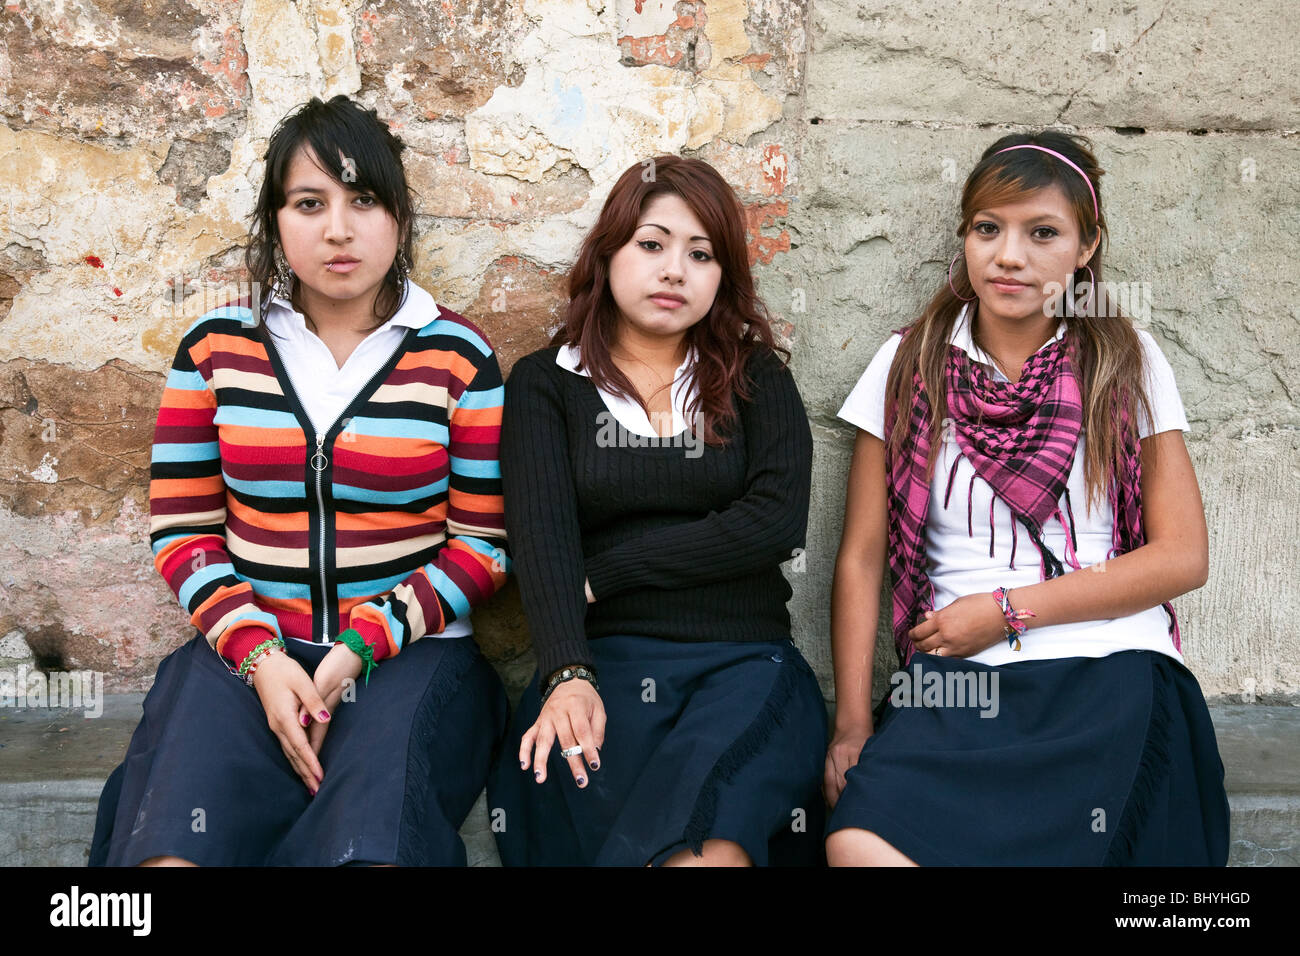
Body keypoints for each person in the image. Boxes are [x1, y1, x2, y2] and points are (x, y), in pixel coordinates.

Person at [89, 95, 509, 867]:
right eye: (310, 203)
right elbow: (183, 529)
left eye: (364, 201)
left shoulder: (456, 356)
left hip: (410, 662)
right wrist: (260, 655)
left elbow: (482, 544)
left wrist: (359, 646)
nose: (339, 229)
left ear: (400, 217)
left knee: (370, 849)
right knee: (172, 851)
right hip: (240, 658)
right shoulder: (216, 347)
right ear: (277, 221)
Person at [824, 130, 1230, 866]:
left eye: (1042, 233)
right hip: (954, 682)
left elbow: (1181, 557)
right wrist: (852, 723)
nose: (1009, 255)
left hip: (1109, 667)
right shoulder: (907, 362)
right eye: (988, 229)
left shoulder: (1123, 359)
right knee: (858, 846)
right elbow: (861, 559)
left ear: (1086, 246)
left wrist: (1008, 612)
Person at [488, 155, 827, 866]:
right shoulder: (548, 386)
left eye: (700, 254)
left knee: (700, 845)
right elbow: (543, 546)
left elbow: (774, 523)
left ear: (723, 276)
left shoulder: (757, 377)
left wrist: (606, 571)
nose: (674, 270)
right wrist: (567, 675)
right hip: (599, 668)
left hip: (743, 664)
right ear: (607, 252)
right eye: (652, 244)